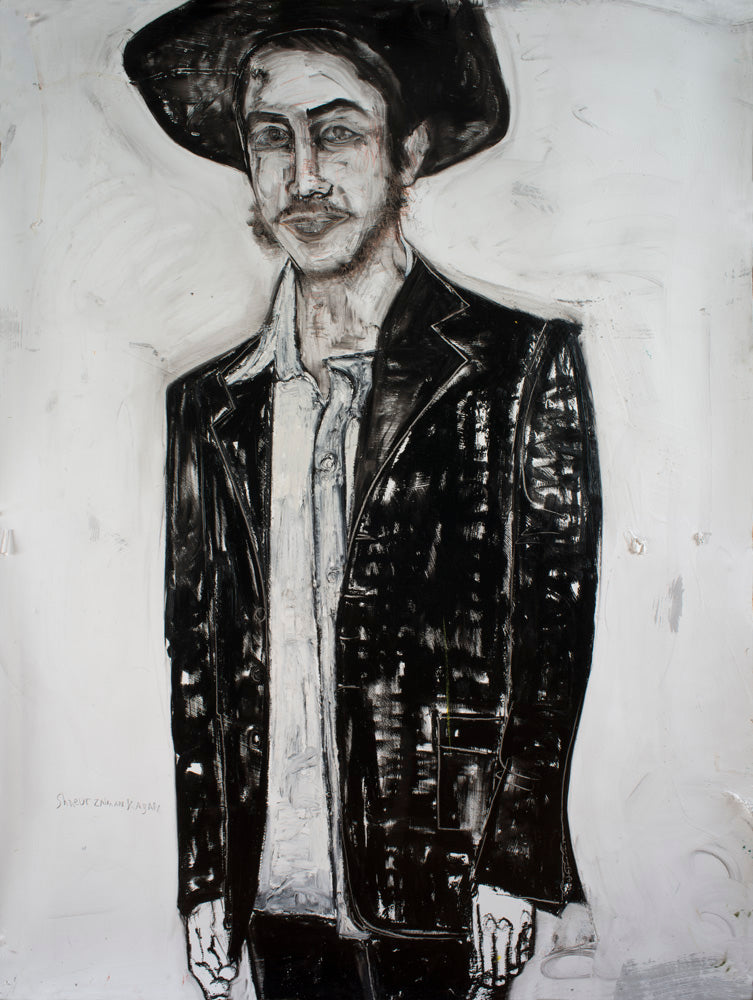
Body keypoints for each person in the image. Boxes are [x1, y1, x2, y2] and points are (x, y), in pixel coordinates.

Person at [123, 2, 601, 998]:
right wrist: (207, 878)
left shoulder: (513, 367)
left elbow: (551, 641)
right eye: (272, 138)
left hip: (442, 878)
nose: (303, 177)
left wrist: (513, 861)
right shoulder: (210, 406)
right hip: (277, 888)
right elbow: (200, 662)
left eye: (336, 132)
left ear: (407, 150)